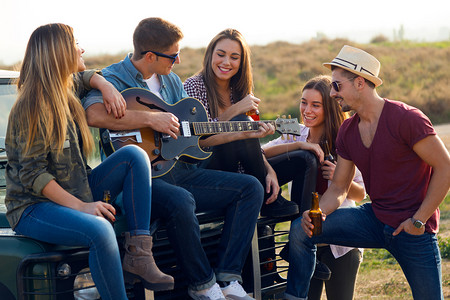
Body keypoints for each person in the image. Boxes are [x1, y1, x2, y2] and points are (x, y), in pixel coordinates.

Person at [83, 18, 264, 300]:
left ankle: (228, 279)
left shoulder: (171, 82)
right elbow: (93, 115)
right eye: (173, 55)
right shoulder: (113, 78)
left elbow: (195, 139)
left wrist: (243, 133)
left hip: (178, 169)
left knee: (250, 188)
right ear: (151, 56)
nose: (178, 61)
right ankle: (203, 285)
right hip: (138, 180)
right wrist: (152, 119)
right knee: (181, 199)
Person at [5, 23, 173, 300]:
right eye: (75, 44)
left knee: (134, 155)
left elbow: (84, 77)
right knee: (99, 229)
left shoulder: (64, 87)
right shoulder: (31, 106)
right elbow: (33, 176)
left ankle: (140, 254)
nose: (81, 49)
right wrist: (83, 206)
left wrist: (105, 84)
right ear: (59, 53)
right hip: (33, 206)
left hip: (75, 187)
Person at [285, 45, 450, 300]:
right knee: (300, 230)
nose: (332, 93)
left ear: (360, 82)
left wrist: (419, 220)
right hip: (374, 219)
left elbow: (445, 167)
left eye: (337, 86)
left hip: (413, 227)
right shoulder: (348, 130)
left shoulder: (407, 119)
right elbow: (339, 188)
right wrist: (318, 213)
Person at [263, 75, 365, 300]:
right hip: (305, 238)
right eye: (303, 102)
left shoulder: (344, 139)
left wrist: (341, 179)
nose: (307, 110)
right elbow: (262, 152)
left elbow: (361, 192)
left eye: (315, 105)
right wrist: (299, 145)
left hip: (340, 242)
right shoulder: (296, 133)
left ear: (329, 108)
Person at [183, 28, 299, 218]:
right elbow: (197, 136)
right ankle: (266, 201)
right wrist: (236, 109)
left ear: (242, 62)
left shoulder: (240, 91)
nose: (226, 62)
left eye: (234, 57)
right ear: (210, 54)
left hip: (243, 170)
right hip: (205, 168)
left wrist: (269, 171)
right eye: (221, 54)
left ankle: (302, 228)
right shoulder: (193, 86)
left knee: (304, 159)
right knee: (241, 121)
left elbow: (251, 142)